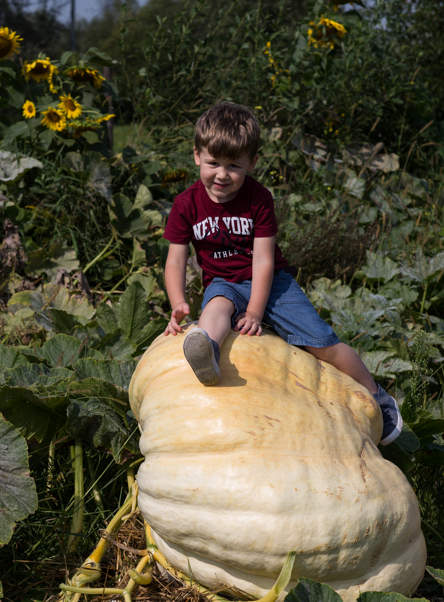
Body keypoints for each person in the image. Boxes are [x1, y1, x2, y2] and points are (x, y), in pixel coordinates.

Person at [161, 102, 404, 445]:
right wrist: (177, 304)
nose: (222, 174)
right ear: (197, 156)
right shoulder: (186, 204)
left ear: (252, 163)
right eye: (213, 163)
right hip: (222, 283)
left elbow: (263, 261)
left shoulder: (258, 198)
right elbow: (175, 261)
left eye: (234, 166)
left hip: (272, 284)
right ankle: (208, 352)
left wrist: (256, 312)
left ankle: (377, 394)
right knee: (213, 311)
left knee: (322, 345)